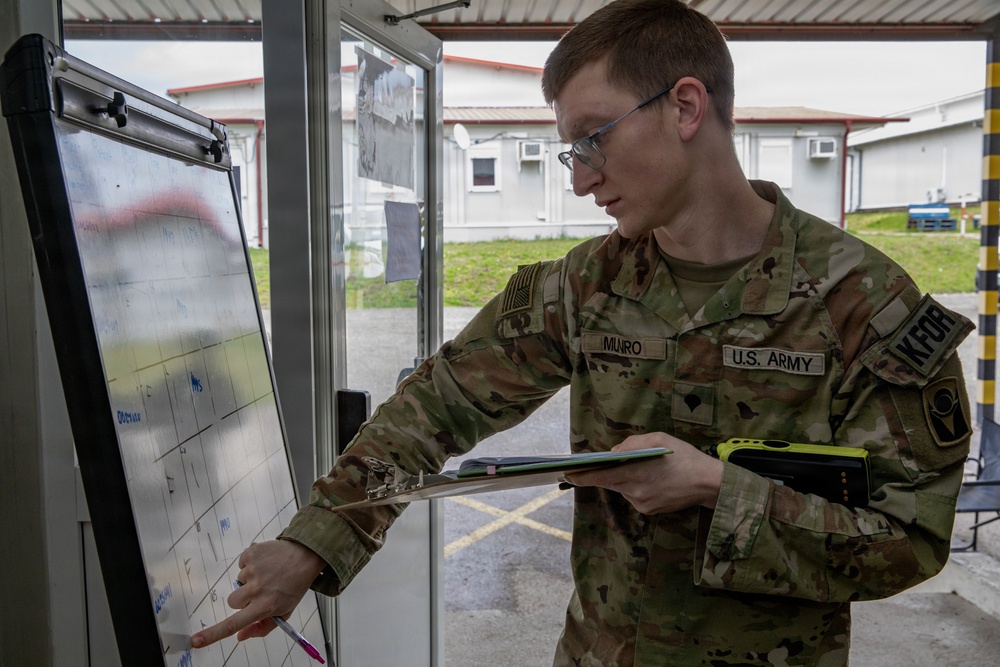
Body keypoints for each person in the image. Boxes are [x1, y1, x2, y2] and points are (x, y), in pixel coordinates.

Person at [192, 1, 974, 664]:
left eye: (594, 137)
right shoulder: (582, 286)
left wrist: (713, 485)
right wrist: (315, 541)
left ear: (685, 106)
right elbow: (433, 408)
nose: (579, 175)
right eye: (571, 148)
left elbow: (909, 540)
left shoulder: (865, 304)